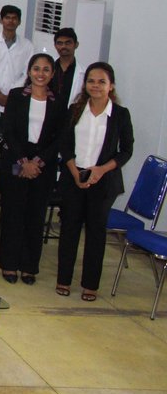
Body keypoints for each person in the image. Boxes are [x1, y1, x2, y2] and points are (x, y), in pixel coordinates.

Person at [56, 62, 134, 301]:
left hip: (103, 181)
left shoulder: (120, 114)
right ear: (85, 84)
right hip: (74, 177)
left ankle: (90, 285)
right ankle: (63, 279)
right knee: (69, 229)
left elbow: (126, 150)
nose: (96, 86)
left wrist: (101, 170)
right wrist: (74, 171)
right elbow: (64, 144)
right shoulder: (75, 110)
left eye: (102, 82)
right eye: (91, 81)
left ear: (111, 86)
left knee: (96, 233)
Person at [0, 53, 63, 285]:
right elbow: (8, 131)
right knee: (13, 212)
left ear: (52, 74)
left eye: (46, 69)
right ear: (29, 71)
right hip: (17, 161)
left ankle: (29, 266)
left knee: (35, 215)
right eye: (36, 68)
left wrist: (37, 162)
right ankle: (9, 264)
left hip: (43, 165)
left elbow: (60, 137)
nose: (40, 74)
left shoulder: (58, 101)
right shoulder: (17, 96)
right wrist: (24, 161)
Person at [0, 5, 36, 108]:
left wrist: (12, 94)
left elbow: (27, 73)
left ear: (19, 22)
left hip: (16, 96)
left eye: (14, 18)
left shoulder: (27, 46)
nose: (11, 21)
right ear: (1, 21)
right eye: (7, 18)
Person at [49, 27, 83, 120]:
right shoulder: (49, 69)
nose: (63, 46)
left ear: (76, 45)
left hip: (70, 119)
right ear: (55, 45)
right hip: (48, 116)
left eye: (68, 43)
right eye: (59, 43)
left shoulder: (83, 73)